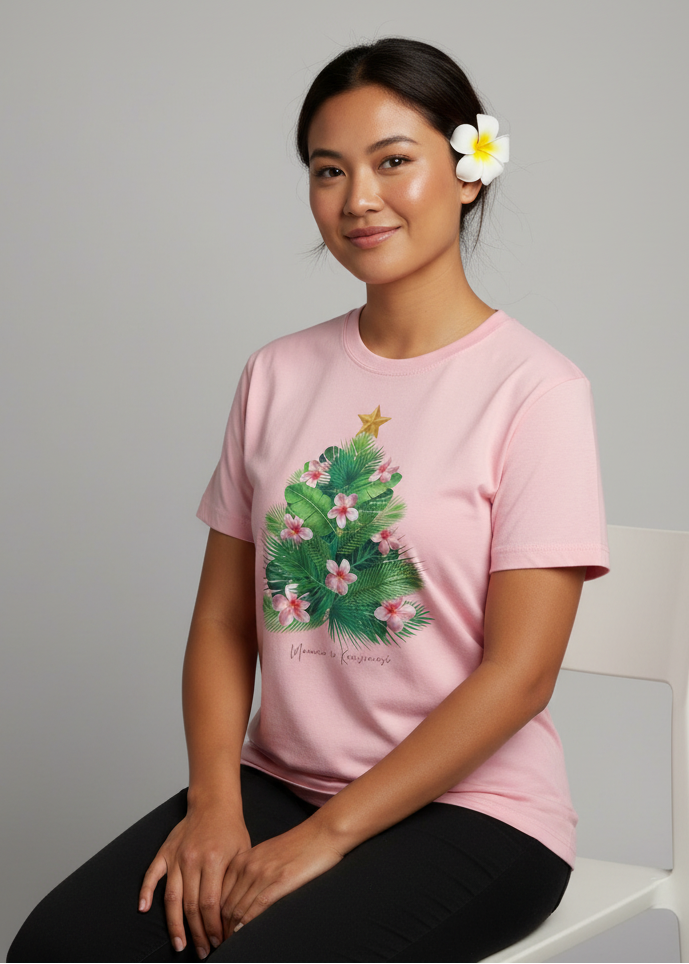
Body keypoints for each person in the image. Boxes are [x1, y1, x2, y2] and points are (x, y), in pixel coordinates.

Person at [7, 36, 610, 964]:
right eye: (329, 170)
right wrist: (214, 804)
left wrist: (324, 840)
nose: (358, 198)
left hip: (474, 815)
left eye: (394, 162)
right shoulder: (276, 374)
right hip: (280, 782)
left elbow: (519, 675)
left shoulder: (535, 389)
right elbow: (221, 623)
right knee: (58, 947)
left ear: (469, 172)